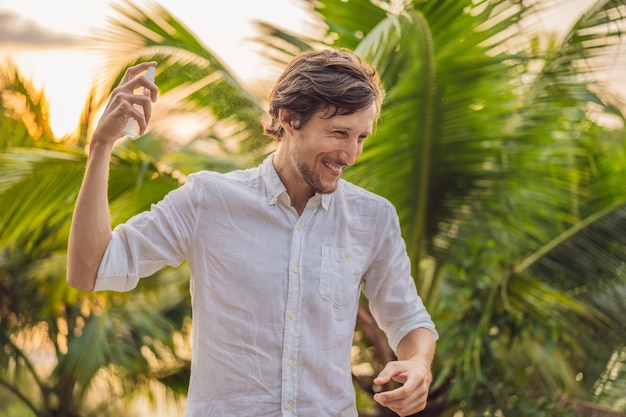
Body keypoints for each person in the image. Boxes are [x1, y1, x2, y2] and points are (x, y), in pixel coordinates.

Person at [67, 48, 437, 417]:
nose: (350, 154)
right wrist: (101, 146)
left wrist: (418, 363)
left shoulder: (373, 218)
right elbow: (91, 269)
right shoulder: (207, 201)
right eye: (339, 133)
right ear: (289, 118)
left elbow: (408, 319)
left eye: (361, 138)